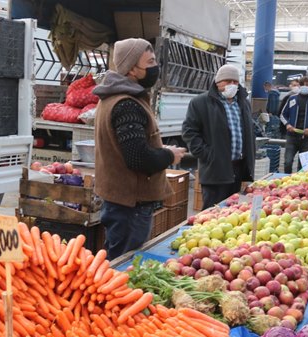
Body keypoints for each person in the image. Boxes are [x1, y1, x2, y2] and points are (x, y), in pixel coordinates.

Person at [93, 38, 186, 261]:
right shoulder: (126, 104)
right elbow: (137, 158)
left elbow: (130, 146)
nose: (156, 67)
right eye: (151, 61)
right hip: (129, 206)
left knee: (117, 259)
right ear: (132, 68)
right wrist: (168, 155)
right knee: (122, 264)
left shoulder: (114, 98)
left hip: (123, 203)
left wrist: (157, 147)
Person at [182, 64, 255, 210]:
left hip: (239, 168)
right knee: (213, 212)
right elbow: (189, 131)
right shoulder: (201, 102)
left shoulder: (243, 103)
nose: (232, 85)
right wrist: (208, 155)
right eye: (227, 81)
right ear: (217, 82)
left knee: (235, 211)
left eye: (235, 82)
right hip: (215, 169)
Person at [280, 77, 308, 173]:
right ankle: (286, 180)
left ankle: (300, 184)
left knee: (304, 165)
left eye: (307, 85)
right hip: (291, 137)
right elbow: (283, 114)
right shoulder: (292, 99)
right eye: (303, 85)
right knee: (287, 162)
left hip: (306, 138)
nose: (305, 87)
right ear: (299, 86)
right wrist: (287, 124)